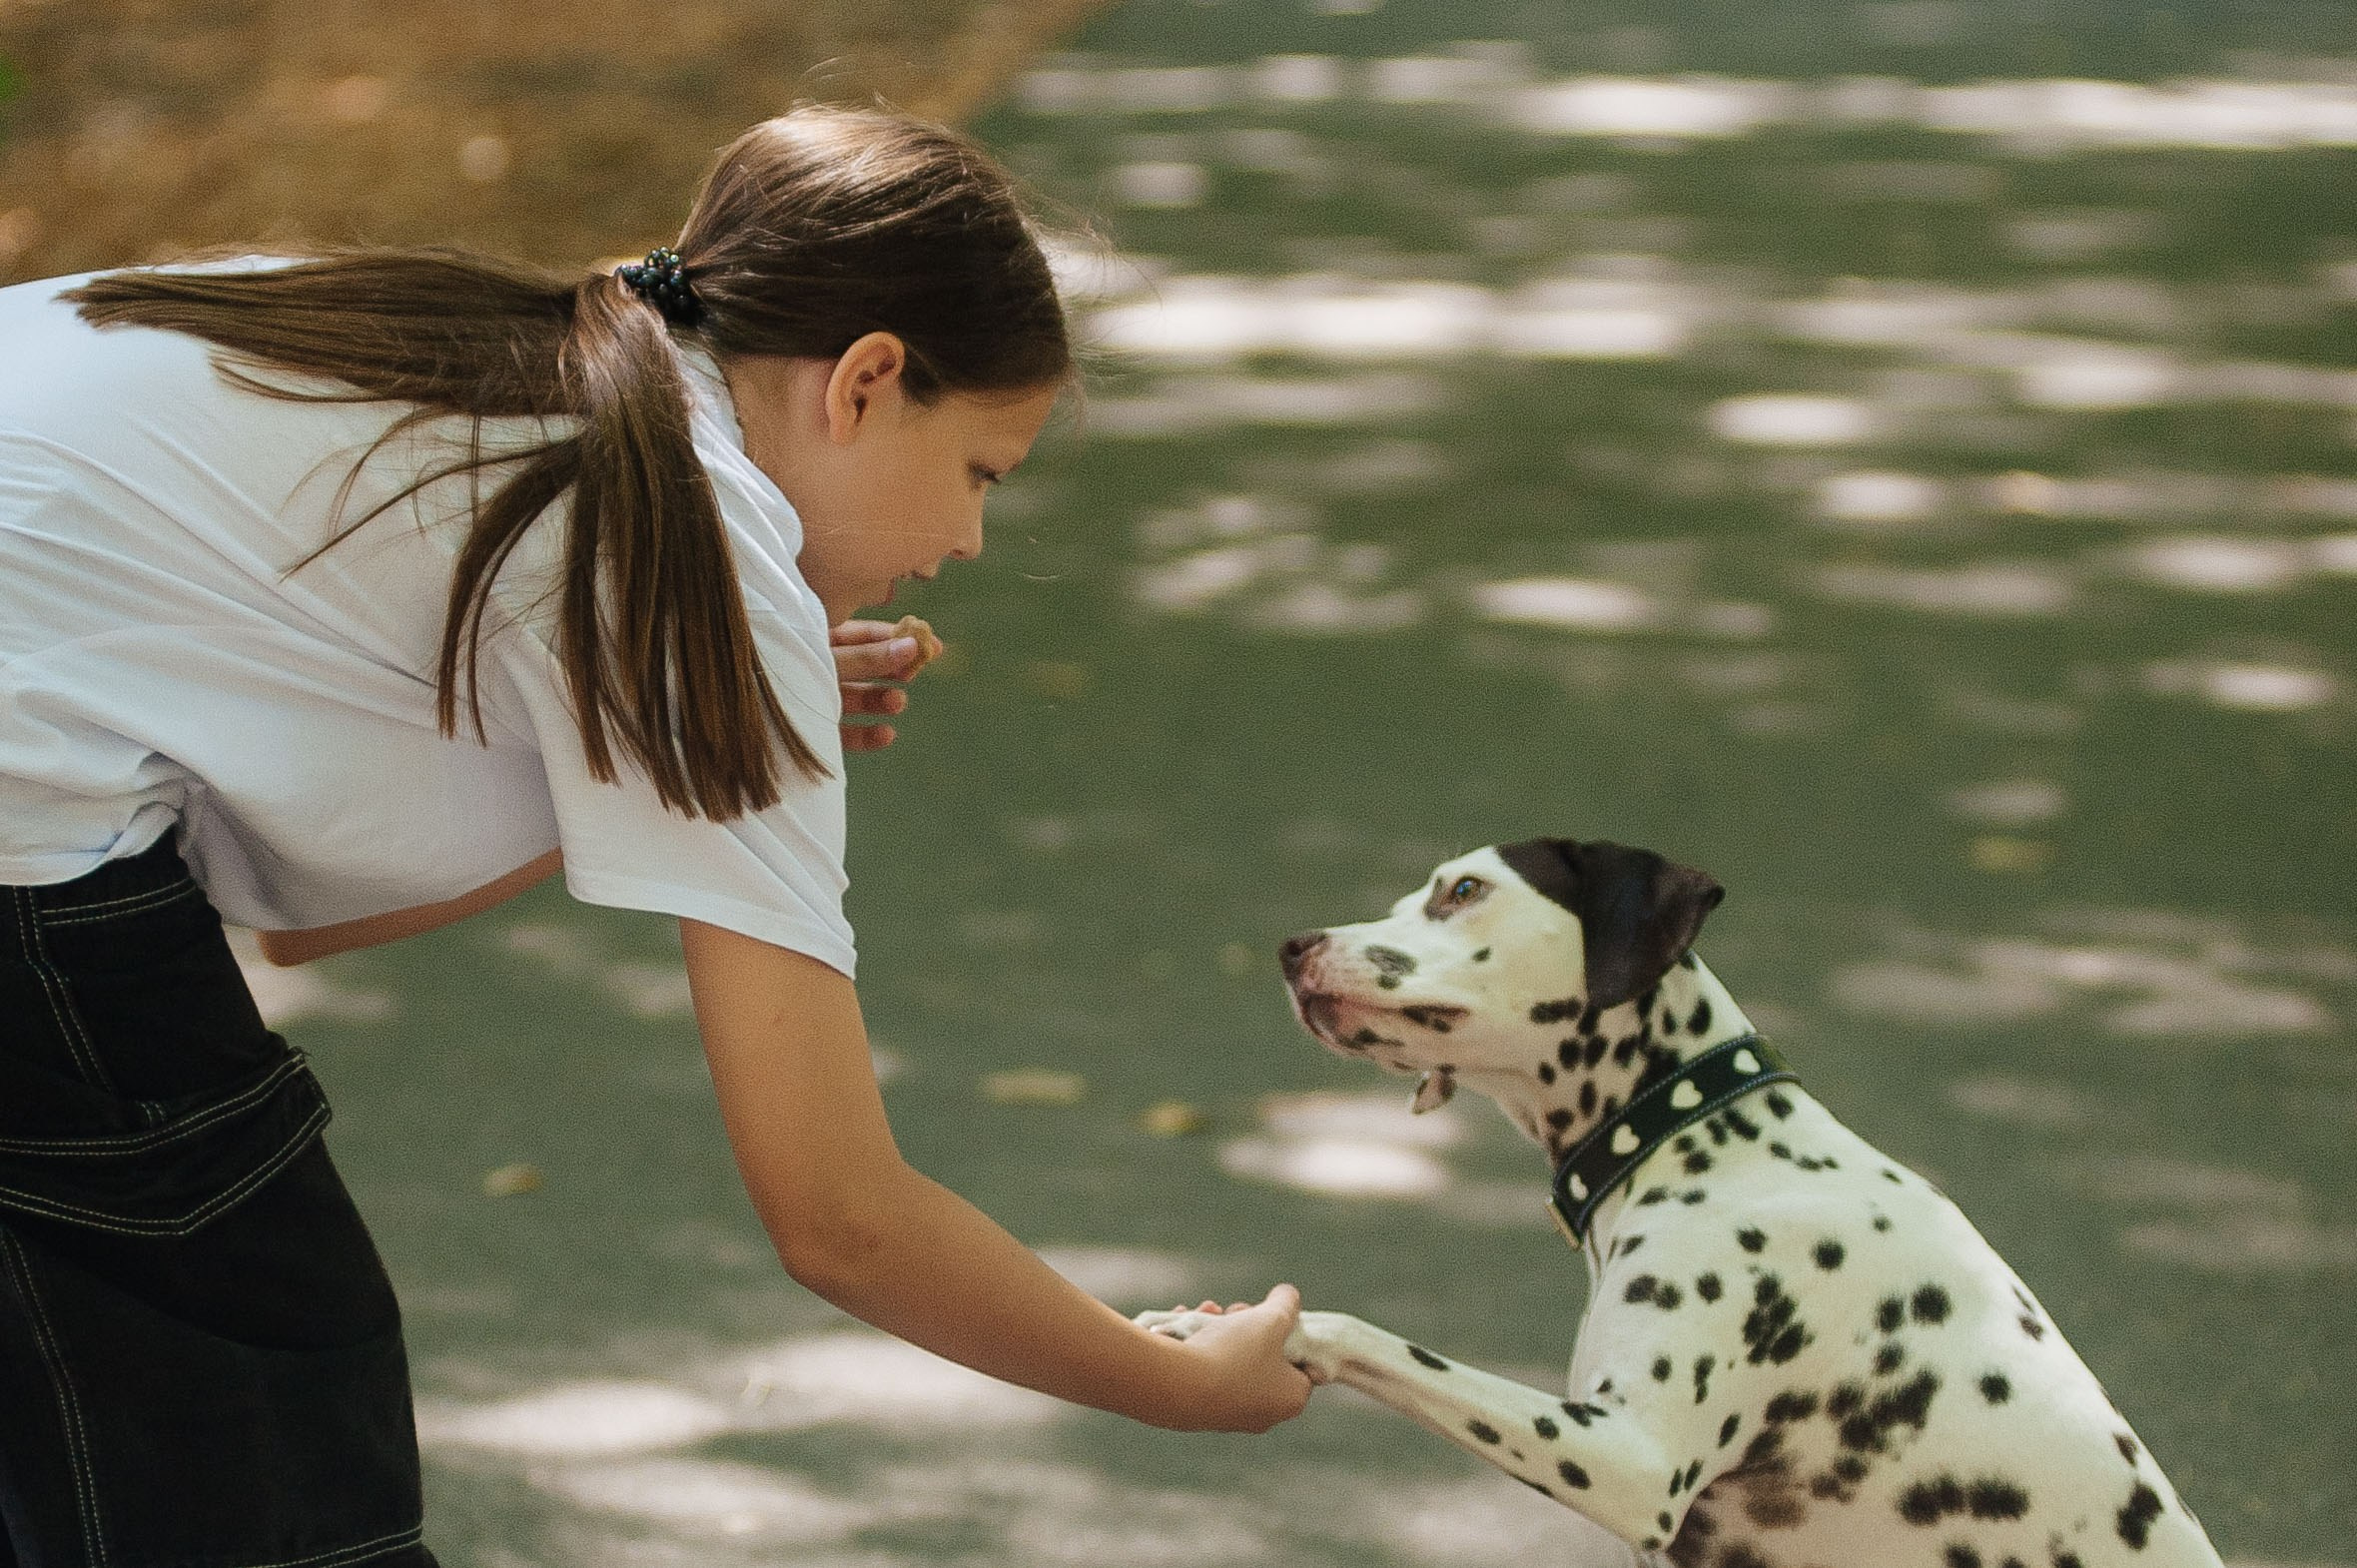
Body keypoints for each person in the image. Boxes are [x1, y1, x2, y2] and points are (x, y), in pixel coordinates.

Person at [0, 105, 1310, 1566]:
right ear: (866, 383)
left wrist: (675, 759)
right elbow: (838, 1215)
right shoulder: (692, 525)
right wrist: (1176, 1386)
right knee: (272, 1423)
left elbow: (291, 915)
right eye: (980, 473)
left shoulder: (513, 376)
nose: (966, 542)